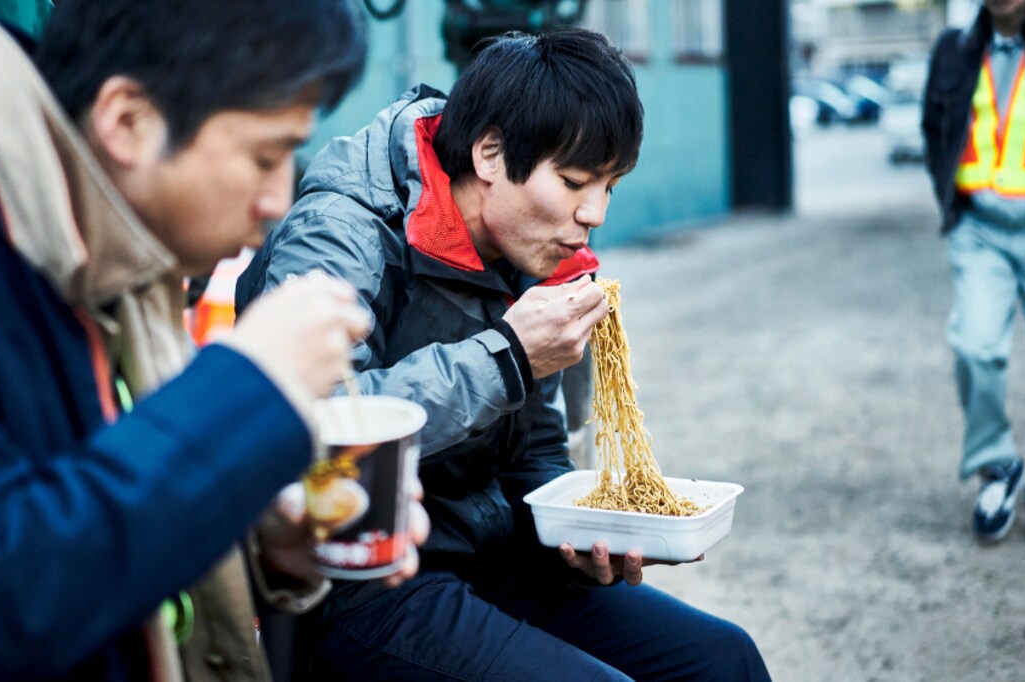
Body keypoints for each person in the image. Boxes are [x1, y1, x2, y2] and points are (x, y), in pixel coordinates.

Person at [0, 1, 431, 679]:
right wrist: (248, 387)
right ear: (127, 121)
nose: (278, 201)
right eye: (265, 156)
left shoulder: (115, 240)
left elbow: (99, 508)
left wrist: (260, 543)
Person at [237, 29, 771, 681]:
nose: (594, 212)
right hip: (364, 581)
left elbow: (535, 453)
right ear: (490, 152)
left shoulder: (531, 248)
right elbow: (318, 435)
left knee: (722, 659)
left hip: (497, 555)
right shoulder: (341, 232)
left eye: (610, 185)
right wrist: (509, 358)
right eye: (576, 181)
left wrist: (578, 533)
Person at [922, 0, 1025, 544]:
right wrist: (952, 202)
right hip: (981, 230)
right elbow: (934, 129)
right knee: (975, 345)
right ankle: (998, 466)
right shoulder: (952, 48)